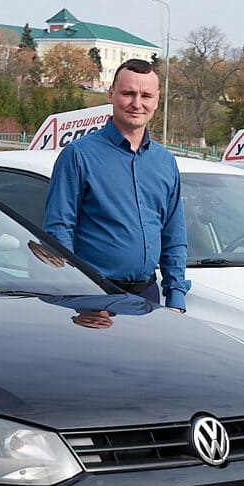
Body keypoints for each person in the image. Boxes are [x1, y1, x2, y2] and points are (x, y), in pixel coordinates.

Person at [43, 58, 188, 309]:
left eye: (146, 95)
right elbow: (58, 230)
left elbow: (173, 235)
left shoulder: (165, 163)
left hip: (148, 299)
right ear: (111, 94)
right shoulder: (78, 156)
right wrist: (78, 294)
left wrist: (176, 295)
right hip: (94, 299)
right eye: (128, 93)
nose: (137, 103)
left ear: (157, 100)